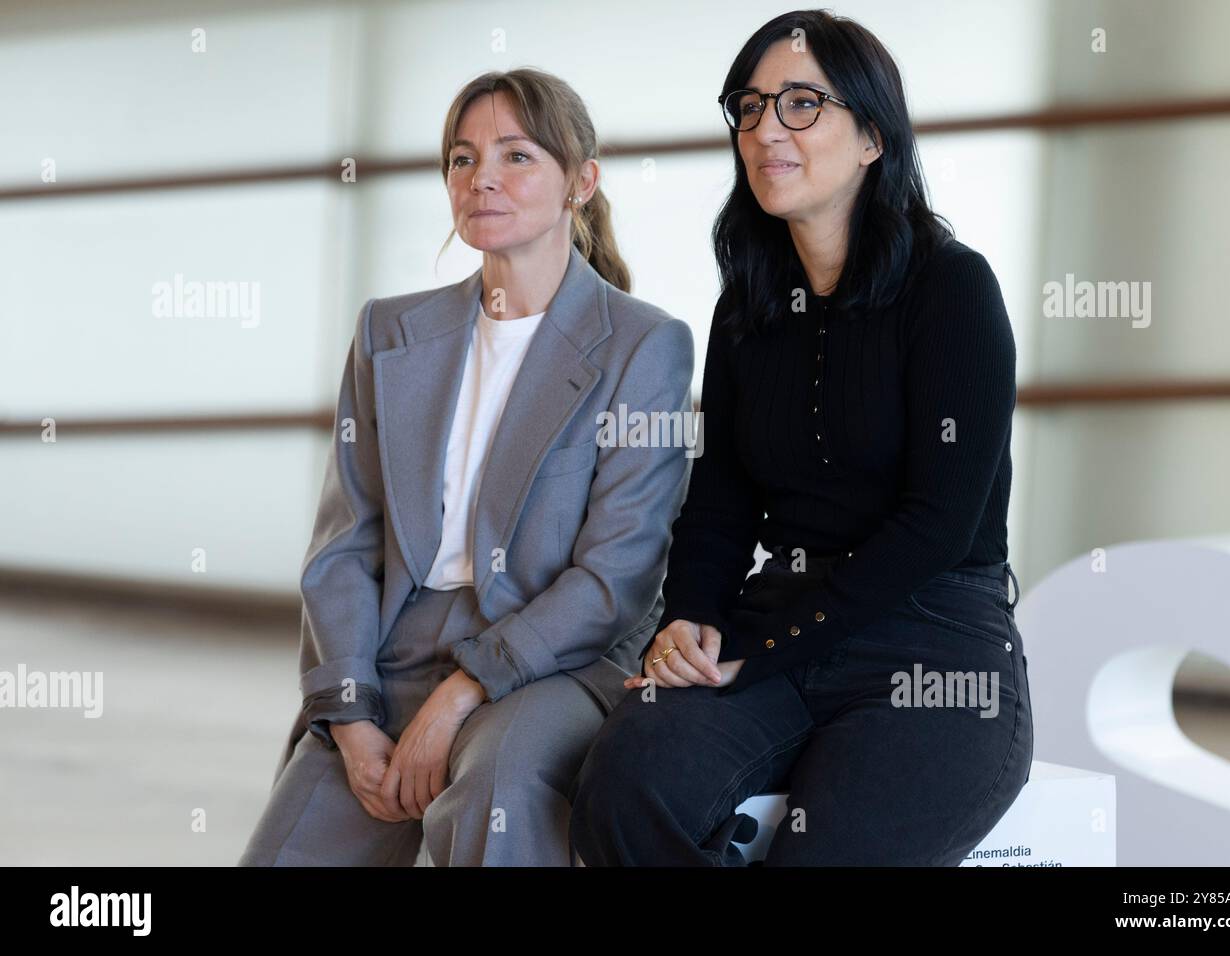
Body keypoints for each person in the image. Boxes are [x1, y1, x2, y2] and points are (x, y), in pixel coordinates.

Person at [570, 9, 1032, 866]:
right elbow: (720, 499)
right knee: (624, 786)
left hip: (932, 641)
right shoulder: (748, 301)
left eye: (801, 105)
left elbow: (939, 527)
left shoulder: (953, 288)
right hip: (774, 618)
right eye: (749, 106)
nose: (766, 129)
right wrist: (692, 619)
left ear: (872, 137)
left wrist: (764, 647)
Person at [239, 67, 693, 866]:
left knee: (496, 795)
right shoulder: (390, 334)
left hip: (555, 662)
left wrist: (459, 695)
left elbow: (616, 576)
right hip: (398, 649)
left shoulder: (643, 345)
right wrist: (349, 715)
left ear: (580, 180)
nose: (482, 177)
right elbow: (346, 543)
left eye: (517, 156)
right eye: (461, 157)